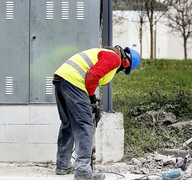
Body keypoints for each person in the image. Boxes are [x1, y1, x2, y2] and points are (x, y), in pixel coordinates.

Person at [53, 45, 141, 180]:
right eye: (124, 70)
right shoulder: (114, 58)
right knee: (85, 126)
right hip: (74, 82)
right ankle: (82, 170)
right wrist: (90, 96)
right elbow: (93, 76)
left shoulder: (105, 52)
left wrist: (90, 97)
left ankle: (62, 165)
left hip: (61, 80)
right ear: (126, 63)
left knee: (68, 124)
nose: (119, 71)